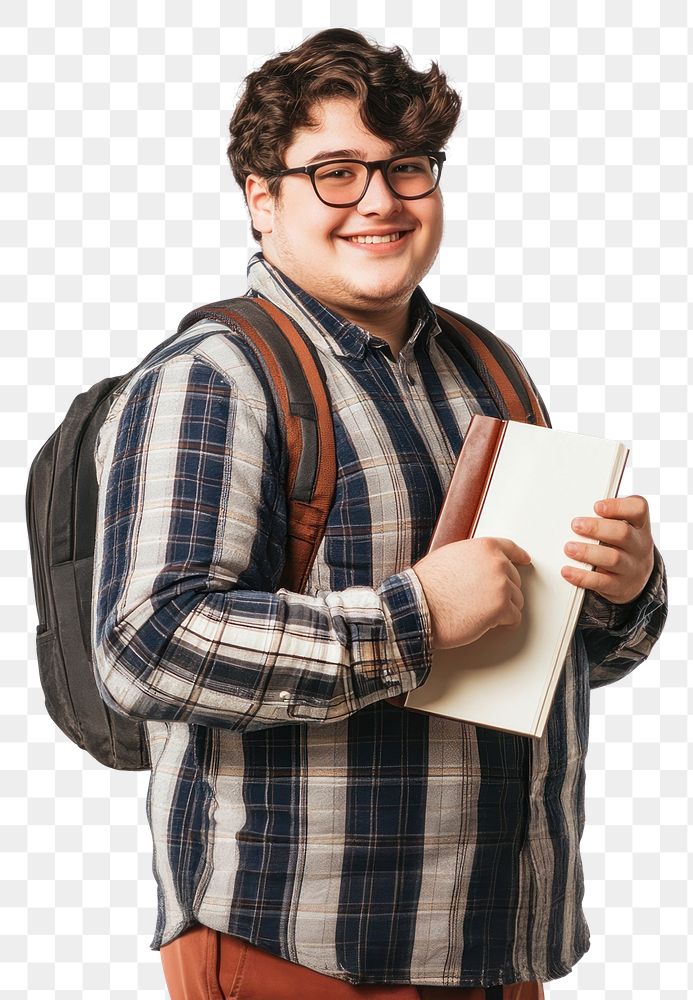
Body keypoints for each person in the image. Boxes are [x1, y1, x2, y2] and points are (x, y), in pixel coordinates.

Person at [91, 28, 667, 1000]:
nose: (381, 201)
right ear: (261, 199)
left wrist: (622, 590)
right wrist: (418, 617)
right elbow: (144, 643)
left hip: (497, 944)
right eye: (336, 171)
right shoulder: (212, 380)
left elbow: (554, 662)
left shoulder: (490, 371)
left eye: (407, 167)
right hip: (303, 947)